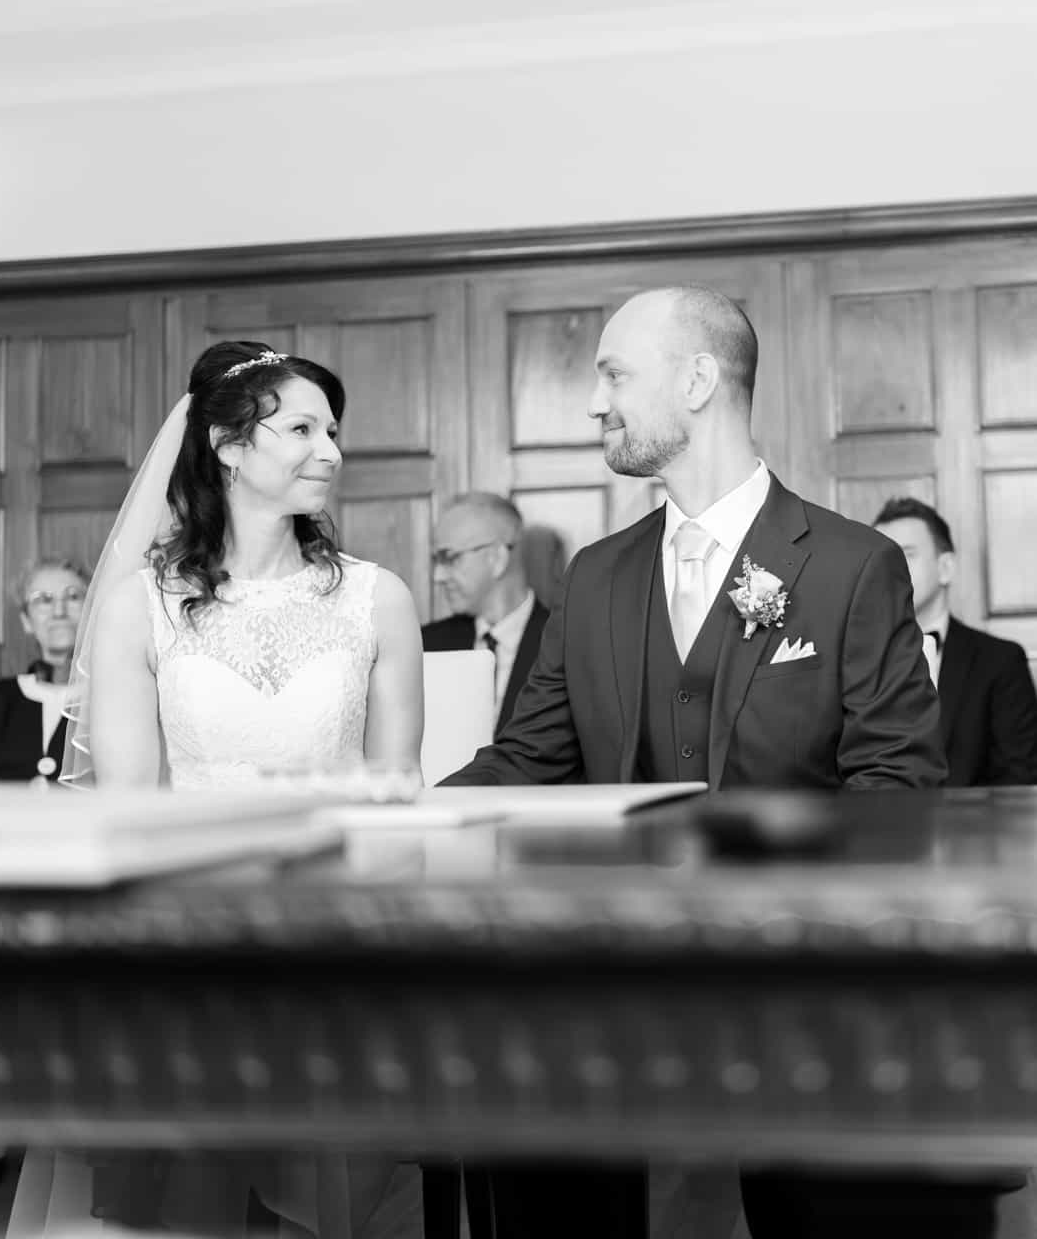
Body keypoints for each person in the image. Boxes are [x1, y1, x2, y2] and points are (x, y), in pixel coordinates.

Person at [443, 286, 999, 1239]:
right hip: (609, 985)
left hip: (801, 990)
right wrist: (394, 810)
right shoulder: (594, 575)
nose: (595, 402)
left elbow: (896, 783)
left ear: (698, 380)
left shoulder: (850, 564)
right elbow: (527, 758)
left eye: (614, 374)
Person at [9, 341, 424, 1239]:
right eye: (302, 429)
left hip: (337, 943)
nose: (329, 452)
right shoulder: (140, 607)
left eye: (333, 431)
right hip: (187, 945)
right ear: (229, 446)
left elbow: (398, 794)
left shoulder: (378, 599)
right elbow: (130, 807)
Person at [874, 496, 1037, 785]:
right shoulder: (851, 659)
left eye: (906, 554)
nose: (890, 569)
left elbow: (1019, 778)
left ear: (945, 567)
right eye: (880, 558)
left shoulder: (1000, 661)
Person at [423, 493, 549, 734]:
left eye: (449, 558)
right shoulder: (426, 646)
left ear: (497, 558)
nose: (438, 576)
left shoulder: (565, 646)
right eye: (435, 561)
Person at [0, 557, 88, 786]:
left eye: (73, 596)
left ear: (91, 611)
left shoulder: (111, 701)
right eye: (43, 600)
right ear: (26, 620)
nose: (59, 611)